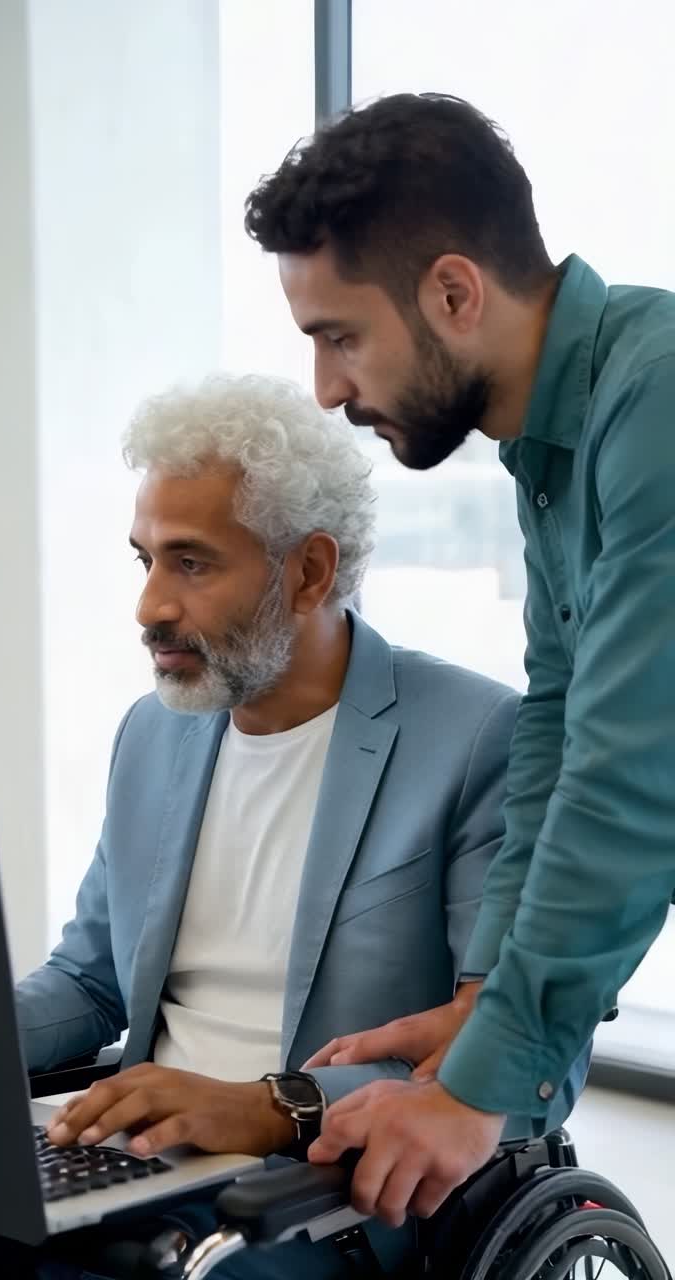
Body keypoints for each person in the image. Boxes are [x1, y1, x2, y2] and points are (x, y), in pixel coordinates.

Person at [0, 371, 581, 1280]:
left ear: (310, 569)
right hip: (140, 1165)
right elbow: (91, 983)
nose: (149, 609)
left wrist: (269, 1107)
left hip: (324, 1195)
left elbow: (521, 1066)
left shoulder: (478, 738)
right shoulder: (154, 732)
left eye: (192, 562)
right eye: (145, 560)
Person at [244, 91, 675, 1225]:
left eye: (339, 336)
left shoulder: (659, 397)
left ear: (452, 292)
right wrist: (487, 1001)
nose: (328, 390)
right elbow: (560, 724)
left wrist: (490, 1079)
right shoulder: (552, 441)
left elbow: (633, 772)